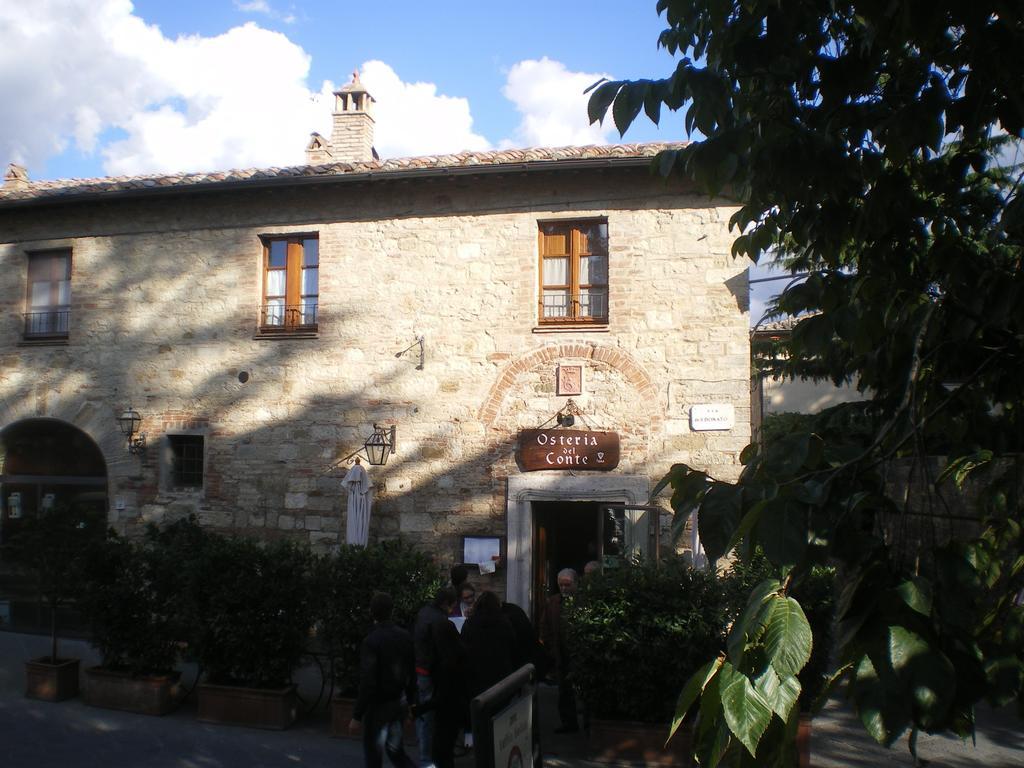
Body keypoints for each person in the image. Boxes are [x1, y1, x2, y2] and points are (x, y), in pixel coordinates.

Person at [349, 592, 418, 768]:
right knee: (395, 751)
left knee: (374, 756)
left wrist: (357, 715)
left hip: (378, 707)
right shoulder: (405, 636)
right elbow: (412, 672)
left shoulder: (371, 641)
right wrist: (411, 702)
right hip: (399, 702)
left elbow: (368, 681)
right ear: (391, 610)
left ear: (372, 612)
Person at [413, 585, 465, 768]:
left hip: (421, 668)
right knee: (428, 715)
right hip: (429, 670)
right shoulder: (438, 621)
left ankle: (424, 753)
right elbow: (442, 649)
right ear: (446, 603)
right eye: (452, 606)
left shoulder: (425, 612)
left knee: (425, 715)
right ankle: (426, 759)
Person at [541, 568, 579, 734]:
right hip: (560, 652)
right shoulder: (553, 602)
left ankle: (587, 723)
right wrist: (550, 646)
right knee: (564, 691)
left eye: (567, 585)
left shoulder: (583, 601)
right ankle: (568, 723)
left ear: (576, 583)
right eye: (561, 585)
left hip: (578, 652)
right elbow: (545, 625)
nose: (563, 588)